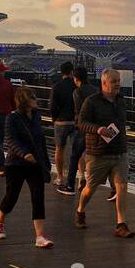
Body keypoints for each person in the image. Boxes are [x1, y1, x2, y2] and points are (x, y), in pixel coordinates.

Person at [75, 67, 135, 237]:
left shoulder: (121, 101)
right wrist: (98, 129)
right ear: (104, 83)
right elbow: (81, 123)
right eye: (114, 81)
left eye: (118, 81)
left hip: (119, 152)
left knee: (122, 186)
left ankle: (121, 224)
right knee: (90, 188)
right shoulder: (91, 101)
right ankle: (80, 210)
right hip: (98, 153)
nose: (117, 84)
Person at [0, 86, 53, 248]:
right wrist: (25, 153)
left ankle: (40, 236)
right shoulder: (12, 118)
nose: (36, 100)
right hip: (16, 163)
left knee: (38, 196)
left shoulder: (36, 117)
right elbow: (10, 140)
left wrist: (46, 163)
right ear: (24, 101)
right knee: (12, 196)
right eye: (32, 97)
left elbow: (40, 141)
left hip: (35, 164)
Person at [60, 65, 96, 195]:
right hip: (95, 128)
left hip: (82, 128)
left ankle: (70, 185)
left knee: (75, 156)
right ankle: (114, 188)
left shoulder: (77, 92)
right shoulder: (95, 90)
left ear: (75, 79)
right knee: (100, 155)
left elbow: (78, 111)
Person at [49, 60, 75, 188]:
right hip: (75, 122)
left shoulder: (57, 86)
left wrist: (54, 119)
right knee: (78, 151)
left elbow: (52, 106)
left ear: (61, 72)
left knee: (59, 149)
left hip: (61, 121)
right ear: (72, 72)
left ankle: (60, 177)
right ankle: (81, 176)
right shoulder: (77, 86)